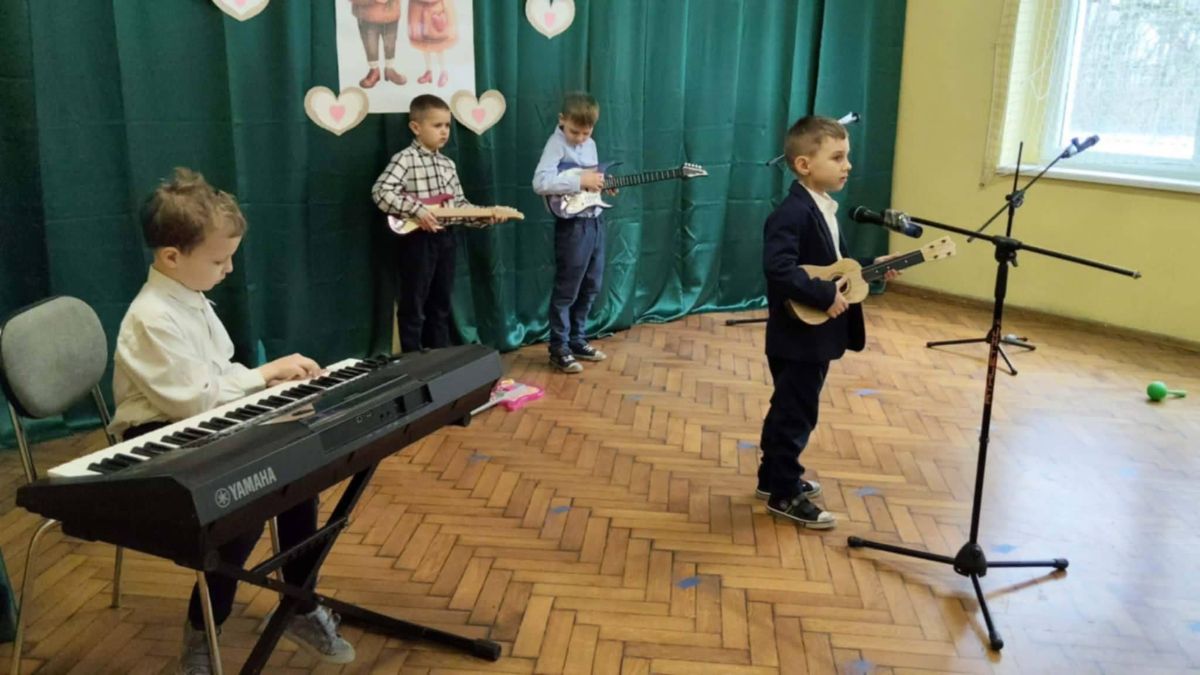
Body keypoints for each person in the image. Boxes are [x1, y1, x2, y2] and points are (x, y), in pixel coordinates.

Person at [110, 168, 356, 674]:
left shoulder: (189, 295)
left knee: (298, 468)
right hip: (152, 442)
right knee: (245, 500)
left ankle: (298, 602)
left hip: (200, 421)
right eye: (219, 260)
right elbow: (192, 400)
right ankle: (203, 628)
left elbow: (216, 378)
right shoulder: (151, 316)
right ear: (172, 257)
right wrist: (263, 374)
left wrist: (268, 390)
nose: (228, 269)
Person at [758, 116, 899, 529]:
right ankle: (785, 493)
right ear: (804, 165)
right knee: (796, 413)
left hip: (815, 333)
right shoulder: (791, 213)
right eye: (837, 157)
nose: (847, 165)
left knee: (789, 405)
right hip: (798, 333)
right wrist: (822, 296)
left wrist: (873, 265)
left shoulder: (822, 207)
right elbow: (780, 269)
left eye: (847, 156)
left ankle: (772, 477)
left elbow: (833, 266)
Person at [372, 94, 506, 353]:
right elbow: (381, 191)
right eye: (437, 125)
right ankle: (413, 359)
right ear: (416, 127)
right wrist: (417, 210)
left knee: (441, 302)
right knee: (414, 302)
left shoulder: (448, 164)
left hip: (446, 238)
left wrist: (485, 217)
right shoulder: (405, 159)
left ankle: (440, 358)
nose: (444, 131)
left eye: (447, 125)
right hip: (418, 240)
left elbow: (459, 206)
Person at [532, 91, 611, 373]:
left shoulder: (591, 145)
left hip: (594, 221)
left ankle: (578, 340)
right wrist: (579, 180)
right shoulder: (556, 144)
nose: (579, 138)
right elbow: (540, 183)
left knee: (591, 285)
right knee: (567, 289)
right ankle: (559, 347)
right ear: (562, 120)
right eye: (574, 131)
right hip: (572, 227)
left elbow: (590, 184)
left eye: (586, 132)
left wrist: (602, 184)